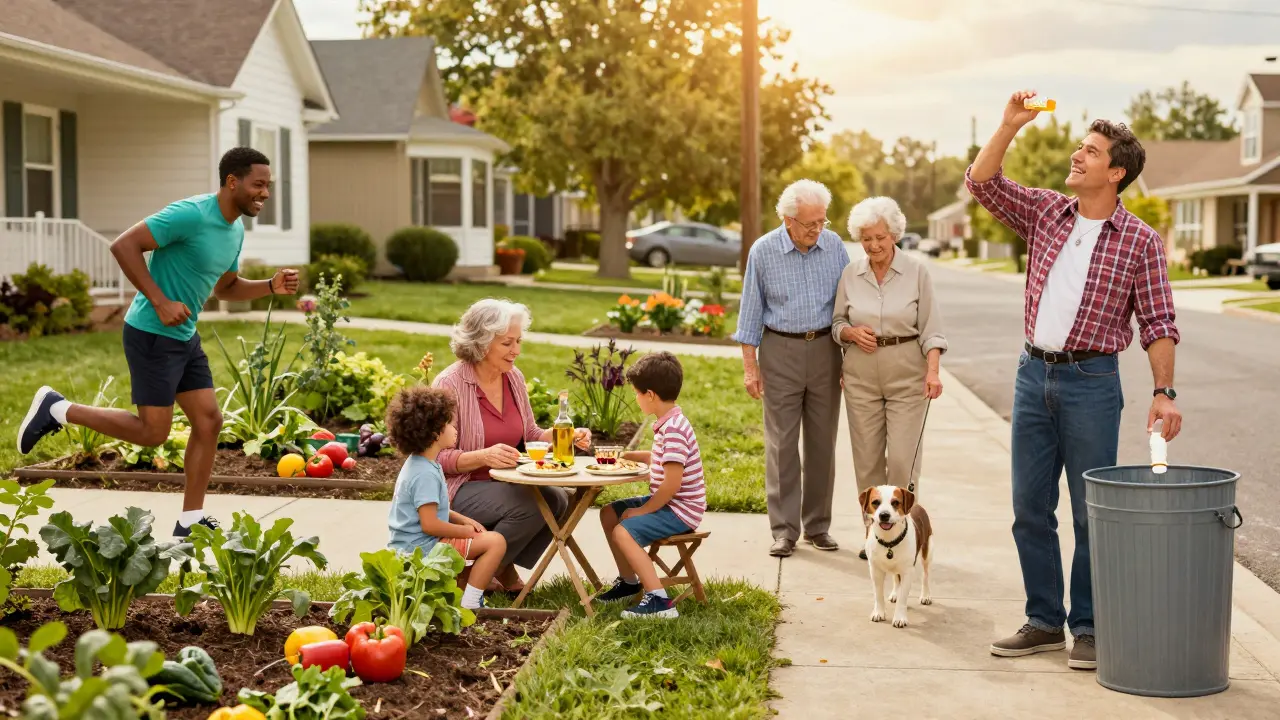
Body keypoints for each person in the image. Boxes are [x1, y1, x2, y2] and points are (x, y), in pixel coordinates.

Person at [967, 90, 1183, 672]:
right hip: (1031, 371)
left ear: (1116, 172)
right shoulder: (1044, 210)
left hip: (1093, 381)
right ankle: (1043, 621)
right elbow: (983, 183)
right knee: (1028, 507)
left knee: (1091, 512)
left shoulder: (1139, 241)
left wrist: (1164, 392)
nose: (1077, 156)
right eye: (1079, 146)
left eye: (1090, 151)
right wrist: (1008, 124)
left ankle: (1087, 627)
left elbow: (1159, 321)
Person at [16, 147, 298, 537]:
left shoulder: (234, 230)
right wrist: (160, 301)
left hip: (183, 336)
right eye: (258, 184)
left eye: (268, 186)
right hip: (152, 332)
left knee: (209, 420)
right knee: (153, 433)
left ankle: (189, 521)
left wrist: (269, 286)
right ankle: (59, 408)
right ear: (233, 182)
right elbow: (124, 245)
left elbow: (226, 287)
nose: (265, 193)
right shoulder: (191, 214)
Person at [432, 298, 593, 596]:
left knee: (558, 499)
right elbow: (432, 457)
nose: (516, 350)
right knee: (533, 503)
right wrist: (481, 457)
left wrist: (564, 436)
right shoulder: (449, 384)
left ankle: (497, 566)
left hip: (506, 481)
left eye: (518, 341)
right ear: (481, 343)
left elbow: (529, 433)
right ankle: (473, 574)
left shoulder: (513, 377)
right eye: (507, 343)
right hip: (457, 488)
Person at [733, 179, 851, 558]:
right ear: (788, 219)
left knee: (822, 443)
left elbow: (849, 305)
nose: (818, 230)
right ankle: (784, 530)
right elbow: (750, 312)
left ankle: (818, 526)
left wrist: (850, 359)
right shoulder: (763, 251)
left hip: (825, 350)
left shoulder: (833, 246)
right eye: (809, 224)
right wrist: (751, 368)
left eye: (822, 222)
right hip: (779, 349)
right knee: (782, 443)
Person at [833, 196, 946, 560]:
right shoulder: (851, 274)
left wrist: (933, 372)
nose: (874, 245)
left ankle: (903, 537)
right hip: (861, 377)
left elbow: (932, 329)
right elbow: (836, 324)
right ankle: (873, 539)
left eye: (880, 237)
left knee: (902, 463)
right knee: (866, 463)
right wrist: (849, 334)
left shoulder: (917, 272)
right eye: (866, 238)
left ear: (894, 234)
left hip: (906, 376)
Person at [595, 351, 706, 619]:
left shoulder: (675, 430)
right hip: (670, 504)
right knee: (609, 513)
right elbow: (662, 460)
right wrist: (625, 455)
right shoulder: (668, 423)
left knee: (623, 531)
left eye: (637, 393)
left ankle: (659, 601)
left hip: (679, 510)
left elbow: (671, 484)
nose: (636, 398)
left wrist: (642, 511)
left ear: (651, 395)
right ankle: (629, 582)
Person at [384, 385, 507, 610]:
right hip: (421, 550)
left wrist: (461, 519)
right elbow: (430, 524)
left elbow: (428, 508)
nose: (455, 428)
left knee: (480, 541)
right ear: (434, 433)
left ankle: (459, 596)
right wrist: (464, 532)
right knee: (495, 542)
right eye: (450, 423)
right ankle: (471, 602)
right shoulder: (425, 474)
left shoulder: (421, 464)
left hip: (410, 545)